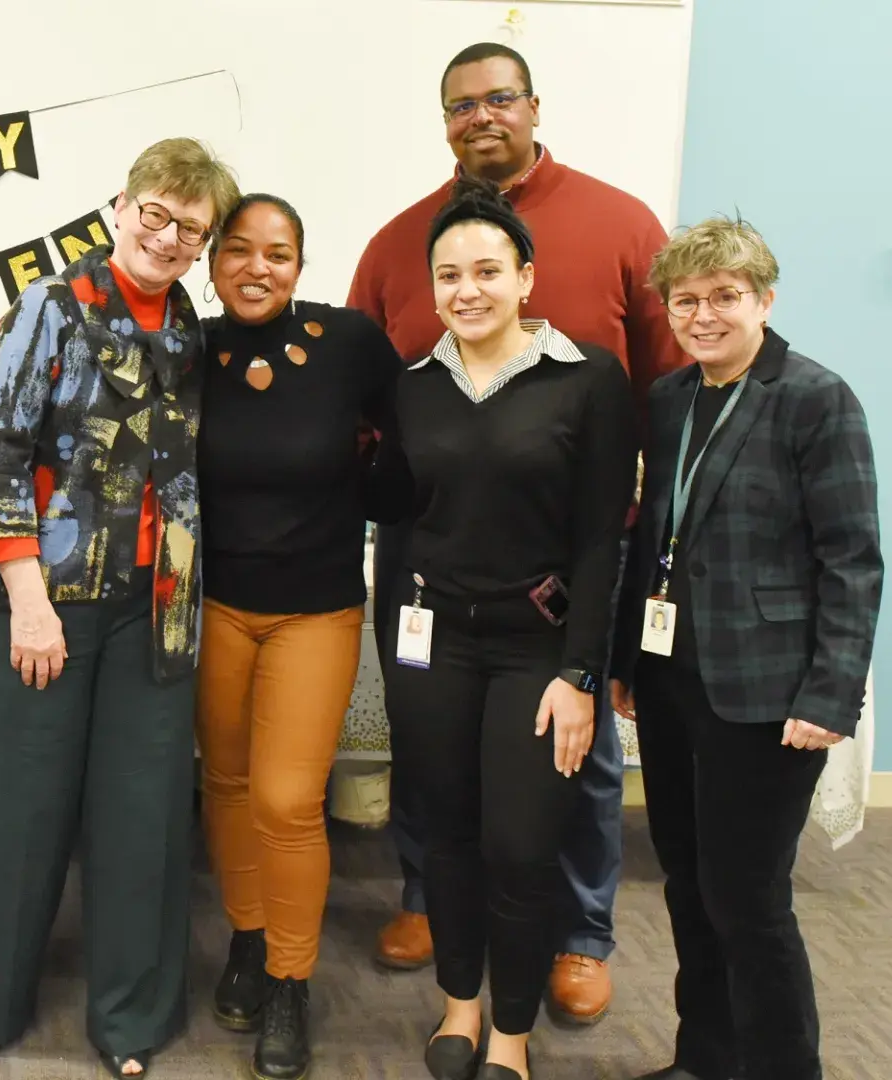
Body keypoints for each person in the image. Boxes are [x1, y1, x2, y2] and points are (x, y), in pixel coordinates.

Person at [348, 41, 684, 1021]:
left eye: (500, 98)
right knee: (430, 733)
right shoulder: (398, 242)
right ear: (444, 121)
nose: (481, 115)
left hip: (576, 542)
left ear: (534, 106)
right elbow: (375, 404)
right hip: (430, 550)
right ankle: (429, 896)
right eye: (461, 105)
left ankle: (579, 934)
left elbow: (666, 387)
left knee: (574, 743)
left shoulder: (622, 224)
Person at [0, 137, 239, 1078]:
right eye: (154, 212)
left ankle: (130, 1022)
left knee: (144, 817)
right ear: (121, 206)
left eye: (188, 227)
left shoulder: (189, 326)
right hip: (37, 602)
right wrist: (28, 602)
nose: (167, 234)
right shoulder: (48, 305)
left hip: (156, 607)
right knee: (22, 812)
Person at [610, 217, 881, 1080]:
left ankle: (782, 1067)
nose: (703, 315)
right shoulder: (668, 398)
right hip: (671, 677)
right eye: (686, 300)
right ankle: (705, 1056)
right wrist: (626, 661)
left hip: (769, 692)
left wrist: (830, 695)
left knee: (748, 898)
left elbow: (852, 557)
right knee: (687, 885)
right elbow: (655, 534)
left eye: (724, 297)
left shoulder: (814, 396)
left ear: (765, 298)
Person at [384, 178, 637, 1080]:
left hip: (538, 651)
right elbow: (400, 520)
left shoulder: (587, 380)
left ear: (525, 277)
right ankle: (460, 1010)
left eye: (488, 269)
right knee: (446, 833)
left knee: (522, 847)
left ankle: (511, 1035)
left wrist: (581, 676)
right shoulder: (412, 386)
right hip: (436, 648)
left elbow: (602, 540)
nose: (468, 290)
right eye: (449, 274)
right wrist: (394, 649)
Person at [194, 193, 408, 1079]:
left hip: (316, 609)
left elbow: (414, 442)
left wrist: (373, 494)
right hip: (211, 607)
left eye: (277, 253)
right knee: (228, 784)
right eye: (238, 250)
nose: (256, 267)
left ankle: (291, 977)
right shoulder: (189, 349)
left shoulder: (350, 342)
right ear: (212, 265)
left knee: (287, 801)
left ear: (300, 265)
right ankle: (248, 938)